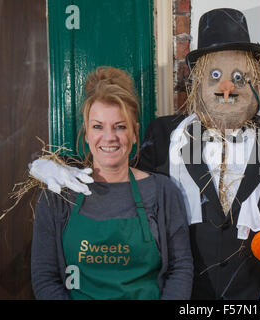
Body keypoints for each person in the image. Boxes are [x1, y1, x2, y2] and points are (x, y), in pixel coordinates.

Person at [28, 8, 260, 299]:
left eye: (238, 76)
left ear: (254, 77)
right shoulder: (166, 135)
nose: (227, 88)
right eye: (215, 75)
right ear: (199, 78)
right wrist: (43, 164)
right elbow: (112, 165)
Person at [31, 66, 193, 300]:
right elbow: (45, 278)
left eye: (120, 126)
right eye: (98, 126)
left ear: (135, 133)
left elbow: (181, 269)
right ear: (86, 133)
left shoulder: (162, 192)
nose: (109, 137)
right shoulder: (59, 194)